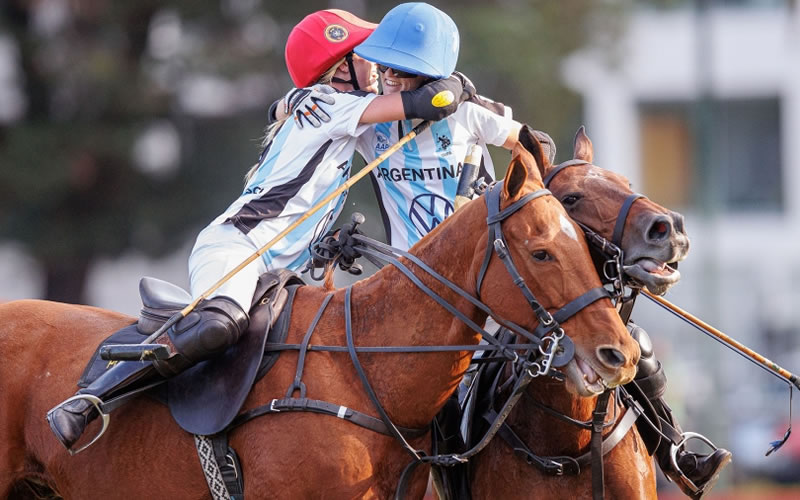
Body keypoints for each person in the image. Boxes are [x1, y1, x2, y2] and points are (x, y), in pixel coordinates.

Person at [291, 3, 732, 496]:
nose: (388, 77)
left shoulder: (470, 115)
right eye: (385, 67)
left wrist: (520, 202)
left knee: (624, 337)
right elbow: (315, 129)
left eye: (401, 70)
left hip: (493, 270)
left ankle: (673, 447)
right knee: (432, 396)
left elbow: (533, 146)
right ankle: (453, 485)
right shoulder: (375, 124)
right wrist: (290, 109)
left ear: (430, 74)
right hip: (423, 292)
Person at [46, 7, 475, 452]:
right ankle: (89, 400)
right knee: (219, 325)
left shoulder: (324, 103)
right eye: (364, 56)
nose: (378, 66)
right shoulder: (336, 104)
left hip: (276, 275)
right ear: (339, 68)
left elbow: (285, 105)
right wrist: (458, 83)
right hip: (237, 247)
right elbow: (432, 102)